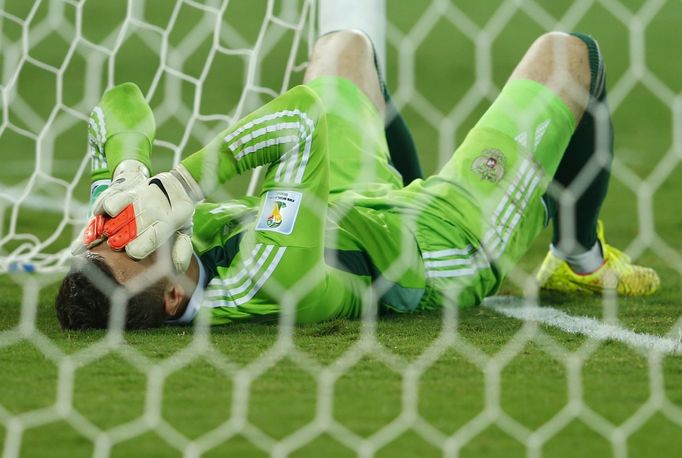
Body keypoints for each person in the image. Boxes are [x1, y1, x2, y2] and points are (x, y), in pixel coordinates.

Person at [56, 30, 659, 330]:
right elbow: (301, 122)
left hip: (347, 205)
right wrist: (180, 184)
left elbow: (118, 107)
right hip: (442, 244)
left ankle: (402, 183)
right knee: (570, 56)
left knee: (343, 47)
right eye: (137, 250)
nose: (129, 233)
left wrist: (128, 173)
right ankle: (580, 259)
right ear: (174, 298)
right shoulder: (269, 279)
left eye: (111, 238)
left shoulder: (131, 237)